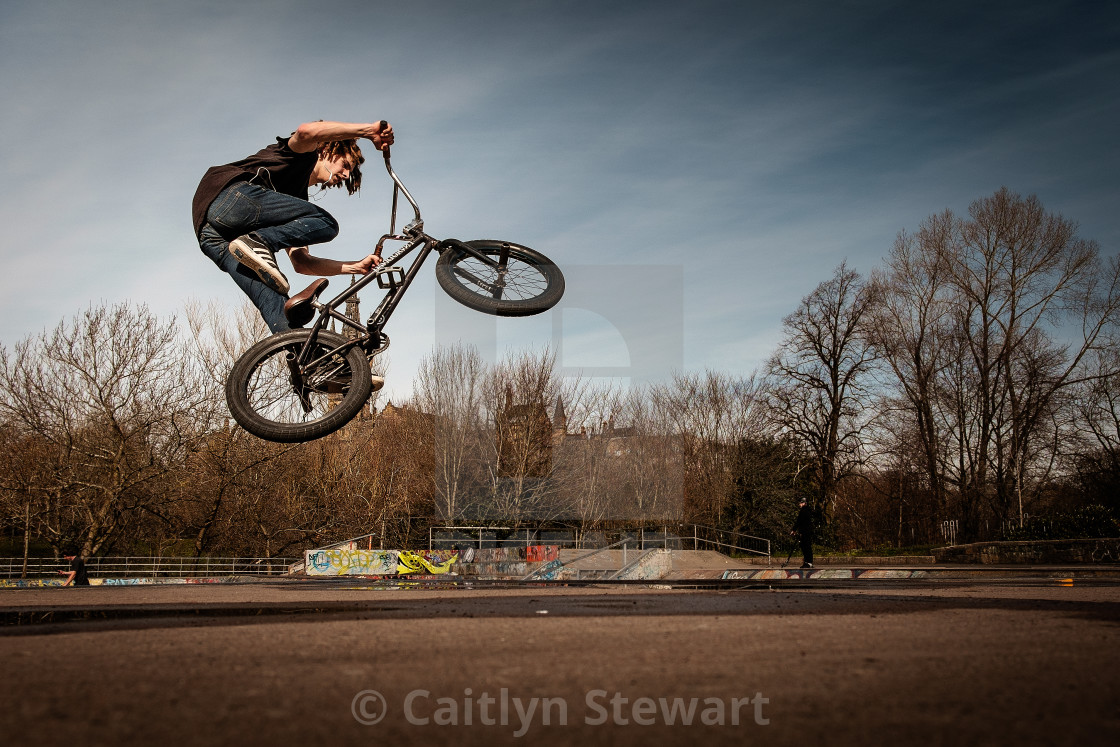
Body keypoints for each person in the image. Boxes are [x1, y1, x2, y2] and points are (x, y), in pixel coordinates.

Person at [191, 120, 395, 334]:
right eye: (345, 165)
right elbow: (307, 131)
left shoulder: (292, 209)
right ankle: (259, 242)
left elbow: (302, 262)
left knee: (275, 304)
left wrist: (355, 267)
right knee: (326, 223)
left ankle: (305, 360)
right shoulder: (302, 155)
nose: (345, 175)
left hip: (212, 235)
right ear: (327, 150)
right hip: (227, 197)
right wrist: (368, 131)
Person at [791, 498, 814, 569]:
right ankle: (809, 562)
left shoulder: (803, 511)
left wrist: (794, 530)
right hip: (808, 531)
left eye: (801, 503)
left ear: (804, 503)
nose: (799, 504)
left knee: (805, 547)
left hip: (804, 532)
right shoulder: (809, 511)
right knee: (807, 547)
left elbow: (799, 521)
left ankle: (807, 562)